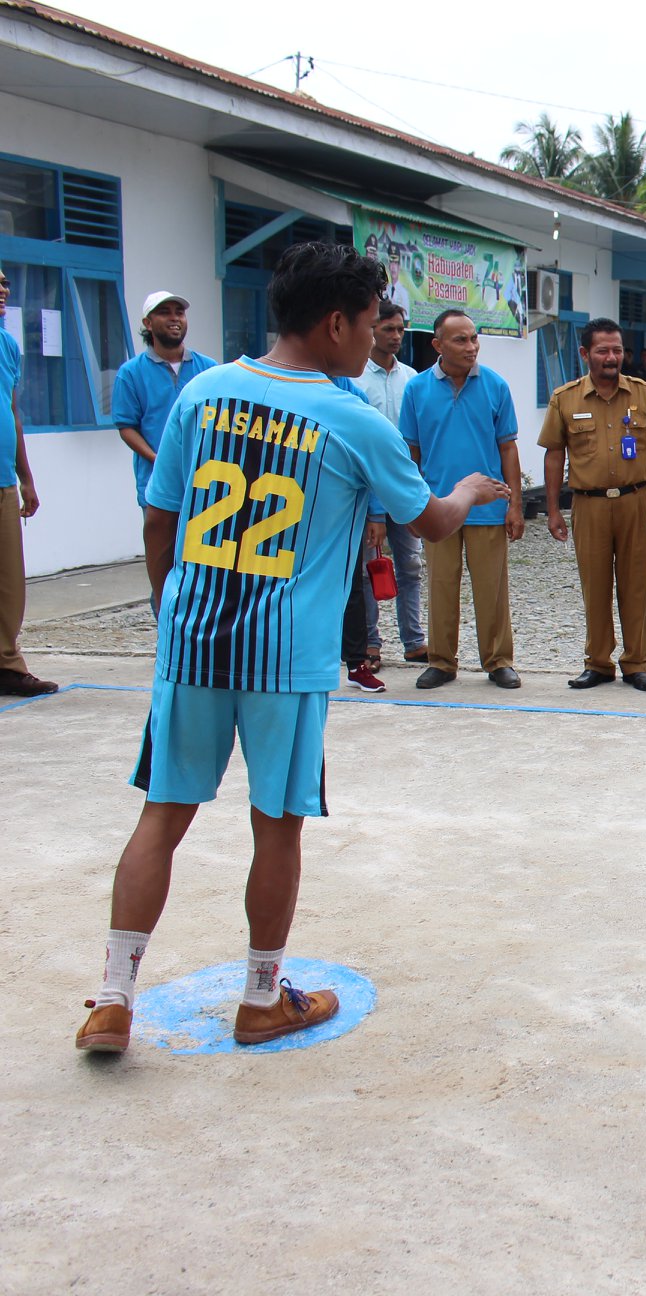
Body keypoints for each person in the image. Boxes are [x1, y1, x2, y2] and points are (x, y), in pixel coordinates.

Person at [72, 242, 509, 1054]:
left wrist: (174, 607)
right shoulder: (350, 418)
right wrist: (469, 490)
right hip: (284, 659)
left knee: (161, 815)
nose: (383, 338)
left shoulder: (203, 394)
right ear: (337, 322)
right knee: (277, 826)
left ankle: (111, 999)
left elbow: (159, 518)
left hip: (194, 641)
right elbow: (430, 521)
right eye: (376, 322)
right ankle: (262, 997)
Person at [539, 318, 646, 692]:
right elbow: (554, 456)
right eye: (602, 350)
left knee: (636, 586)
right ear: (586, 353)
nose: (611, 357)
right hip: (589, 505)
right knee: (595, 586)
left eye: (617, 349)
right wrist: (553, 509)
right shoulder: (564, 398)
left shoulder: (645, 394)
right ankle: (598, 663)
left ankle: (637, 663)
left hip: (637, 502)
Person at [399, 309, 524, 689]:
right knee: (439, 585)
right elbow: (411, 453)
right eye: (461, 340)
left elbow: (508, 449)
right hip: (438, 508)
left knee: (492, 588)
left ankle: (498, 660)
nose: (471, 347)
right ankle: (441, 661)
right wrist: (411, 505)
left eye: (474, 338)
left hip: (487, 507)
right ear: (437, 345)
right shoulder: (417, 390)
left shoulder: (495, 386)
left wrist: (515, 503)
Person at [355, 299, 428, 668]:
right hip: (368, 491)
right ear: (372, 331)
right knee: (371, 568)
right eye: (388, 329)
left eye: (401, 329)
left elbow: (417, 440)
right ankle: (370, 642)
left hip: (405, 487)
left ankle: (414, 641)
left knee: (410, 566)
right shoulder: (354, 380)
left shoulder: (412, 379)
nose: (396, 336)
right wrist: (374, 511)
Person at [0, 267, 56, 696]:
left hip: (3, 479)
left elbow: (13, 412)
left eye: (4, 283)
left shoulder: (8, 346)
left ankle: (6, 663)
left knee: (8, 579)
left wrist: (26, 478)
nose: (3, 289)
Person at [111, 291, 217, 510]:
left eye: (179, 313)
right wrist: (159, 459)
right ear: (148, 323)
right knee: (161, 545)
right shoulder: (131, 373)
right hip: (156, 486)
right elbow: (126, 427)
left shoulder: (209, 369)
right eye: (164, 313)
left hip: (204, 484)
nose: (175, 318)